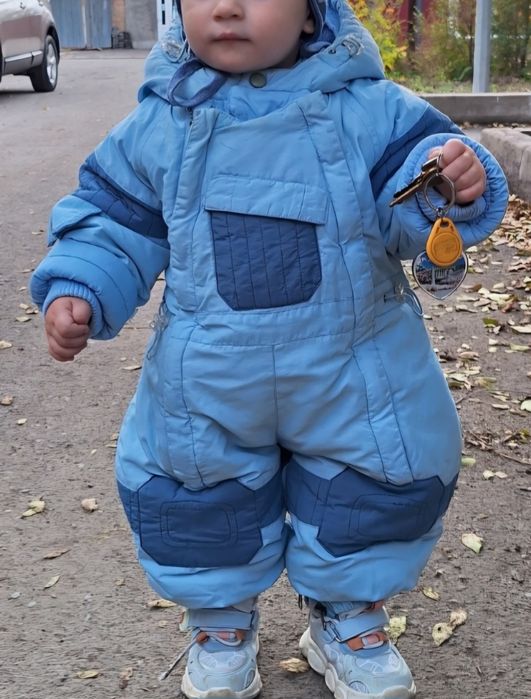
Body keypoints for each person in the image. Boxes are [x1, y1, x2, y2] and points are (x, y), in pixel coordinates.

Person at [30, 1, 508, 698]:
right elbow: (112, 217)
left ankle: (347, 614)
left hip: (355, 363)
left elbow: (413, 205)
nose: (226, 7)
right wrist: (83, 282)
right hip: (210, 371)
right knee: (195, 486)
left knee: (380, 475)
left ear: (312, 14)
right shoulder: (163, 122)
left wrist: (449, 186)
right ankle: (220, 620)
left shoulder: (371, 111)